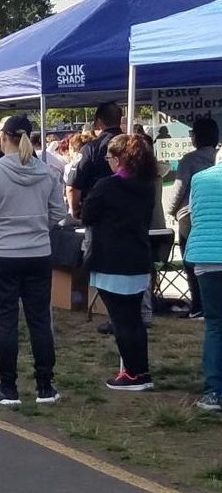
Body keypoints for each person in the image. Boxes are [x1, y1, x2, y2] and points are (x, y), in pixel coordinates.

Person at [0, 114, 65, 407]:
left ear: (2, 138)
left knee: (6, 321)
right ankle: (45, 386)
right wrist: (37, 228)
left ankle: (8, 386)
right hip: (37, 252)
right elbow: (58, 213)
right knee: (39, 321)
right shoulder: (47, 173)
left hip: (1, 253)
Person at [82, 134, 156, 391]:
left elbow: (87, 214)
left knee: (121, 321)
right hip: (137, 258)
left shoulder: (106, 186)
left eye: (110, 158)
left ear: (119, 159)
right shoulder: (147, 186)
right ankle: (141, 370)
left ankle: (133, 374)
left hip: (111, 260)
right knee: (134, 319)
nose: (108, 162)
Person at [167, 118, 219, 320]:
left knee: (191, 263)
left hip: (189, 216)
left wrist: (172, 211)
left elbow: (179, 190)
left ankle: (197, 305)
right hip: (215, 214)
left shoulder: (188, 160)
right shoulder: (218, 157)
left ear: (196, 137)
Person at [185, 148, 222, 411]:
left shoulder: (200, 179)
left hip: (206, 258)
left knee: (215, 325)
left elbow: (194, 215)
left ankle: (213, 392)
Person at [70, 102, 123, 220]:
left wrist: (75, 211)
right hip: (129, 214)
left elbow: (73, 186)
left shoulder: (90, 149)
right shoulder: (133, 145)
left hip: (98, 215)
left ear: (98, 123)